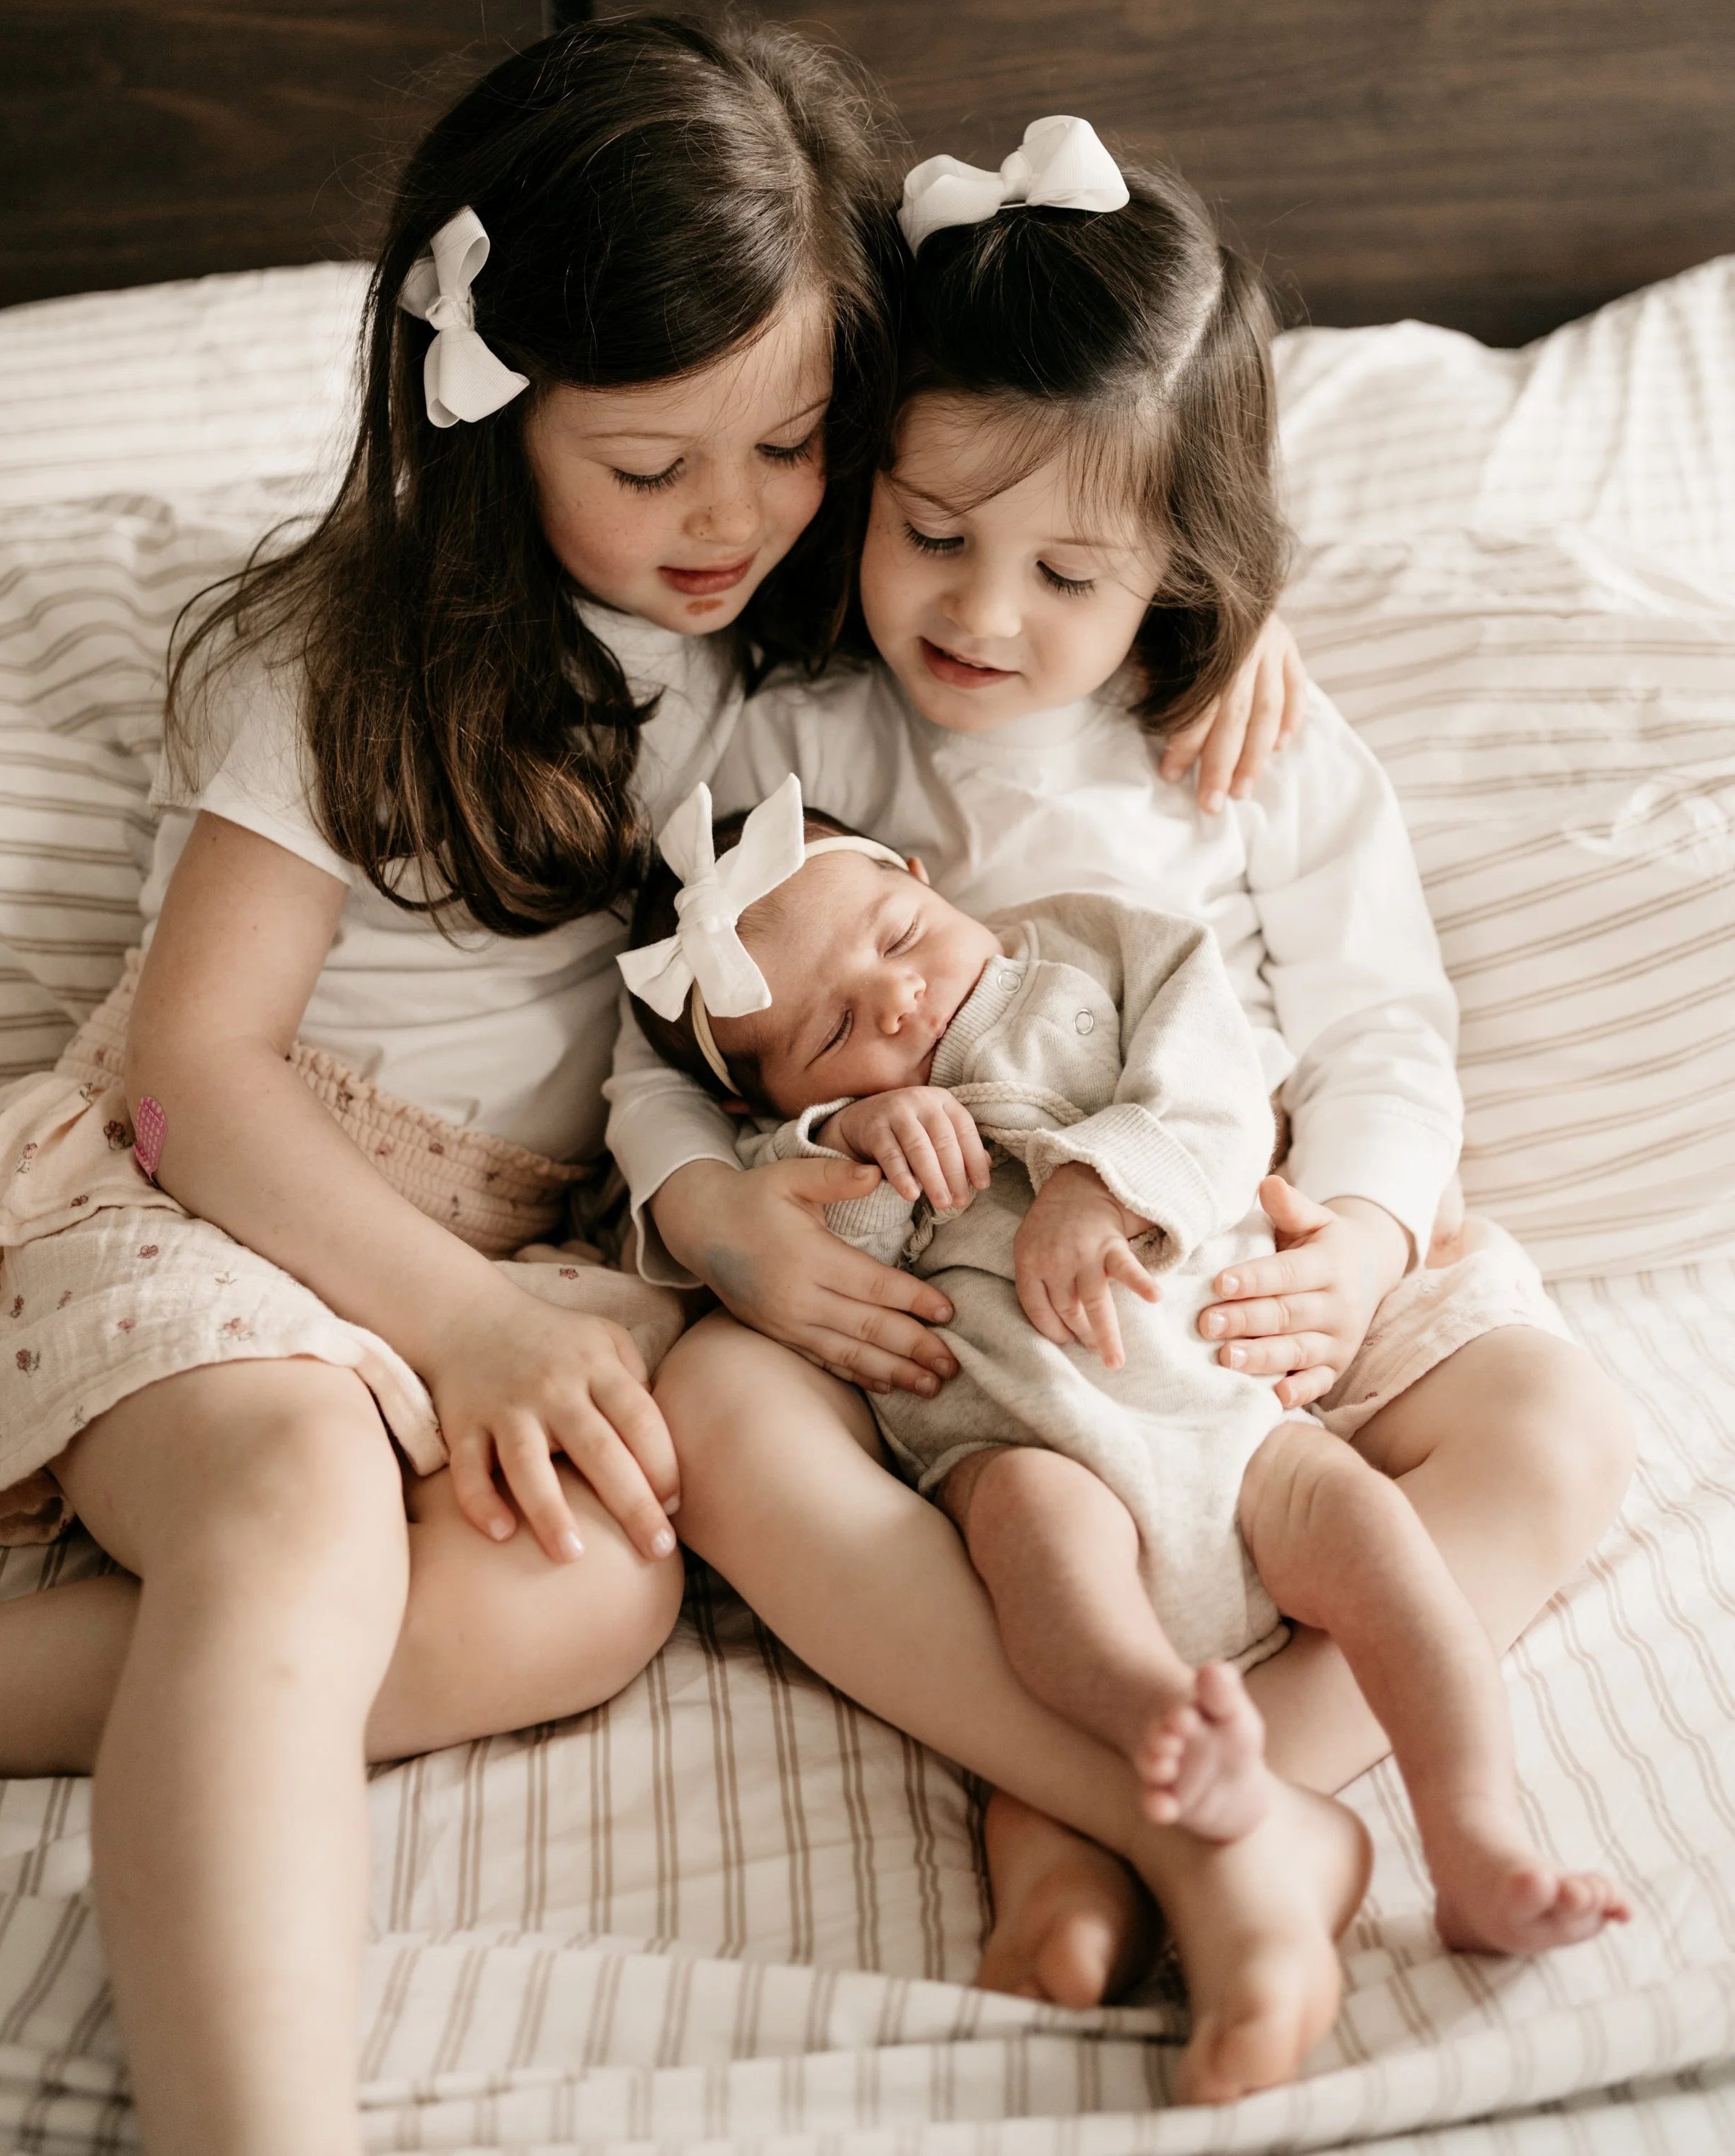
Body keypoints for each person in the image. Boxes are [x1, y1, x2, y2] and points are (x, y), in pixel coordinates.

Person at [0, 11, 914, 2156]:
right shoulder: (343, 658)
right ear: (488, 412)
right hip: (231, 1195)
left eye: (788, 444)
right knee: (297, 1509)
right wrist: (460, 1320)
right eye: (648, 462)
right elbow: (194, 1074)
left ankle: (142, 1696)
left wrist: (1223, 631)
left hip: (521, 1261)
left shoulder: (791, 631)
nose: (729, 517)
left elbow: (1058, 530)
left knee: (591, 1586)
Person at [610, 119, 1638, 2097]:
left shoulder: (1236, 732)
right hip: (964, 1333)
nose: (983, 612)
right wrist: (723, 1212)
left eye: (1068, 568)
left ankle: (1130, 1807)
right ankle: (1221, 1833)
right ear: (868, 479)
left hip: (1246, 1270)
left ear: (1178, 555)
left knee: (1560, 1423)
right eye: (932, 532)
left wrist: (1351, 1238)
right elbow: (646, 1059)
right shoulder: (786, 735)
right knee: (719, 1408)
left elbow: (1382, 1030)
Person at [621, 776, 1628, 2088]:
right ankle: (1161, 1757)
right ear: (770, 1102)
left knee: (1381, 1543)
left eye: (896, 941)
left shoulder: (1087, 951)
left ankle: (1475, 1837)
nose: (898, 1003)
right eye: (834, 1031)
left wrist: (1107, 1181)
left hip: (1236, 1405)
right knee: (1049, 1586)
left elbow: (1220, 1077)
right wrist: (854, 1143)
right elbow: (814, 1263)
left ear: (925, 879)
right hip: (1024, 1445)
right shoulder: (817, 1138)